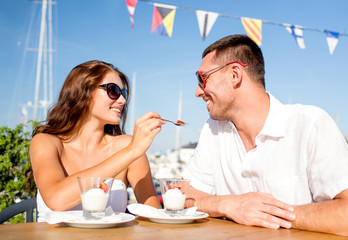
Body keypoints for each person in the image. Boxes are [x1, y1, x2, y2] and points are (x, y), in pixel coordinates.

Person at [182, 34, 348, 236]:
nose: (198, 92)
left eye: (202, 78)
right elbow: (183, 194)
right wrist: (229, 205)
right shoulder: (213, 130)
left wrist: (269, 215)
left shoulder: (310, 124)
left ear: (235, 74)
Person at [30, 60, 165, 222]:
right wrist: (132, 152)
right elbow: (57, 199)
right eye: (113, 91)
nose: (122, 100)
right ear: (82, 92)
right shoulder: (46, 142)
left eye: (124, 93)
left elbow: (153, 216)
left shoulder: (127, 145)